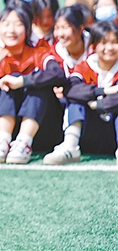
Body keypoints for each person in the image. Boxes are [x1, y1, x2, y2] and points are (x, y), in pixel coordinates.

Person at [0, 7, 66, 164]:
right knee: (9, 80)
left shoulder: (38, 53)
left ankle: (23, 143)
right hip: (3, 128)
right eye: (5, 24)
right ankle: (1, 142)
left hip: (41, 129)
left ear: (28, 29)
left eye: (18, 24)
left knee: (36, 82)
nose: (11, 30)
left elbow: (57, 73)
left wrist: (23, 81)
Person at [45, 20, 118, 164]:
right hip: (87, 132)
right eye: (104, 42)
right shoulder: (85, 66)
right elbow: (71, 90)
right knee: (76, 100)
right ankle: (70, 146)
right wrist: (103, 91)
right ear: (93, 46)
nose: (109, 47)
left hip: (112, 131)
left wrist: (99, 104)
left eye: (115, 42)